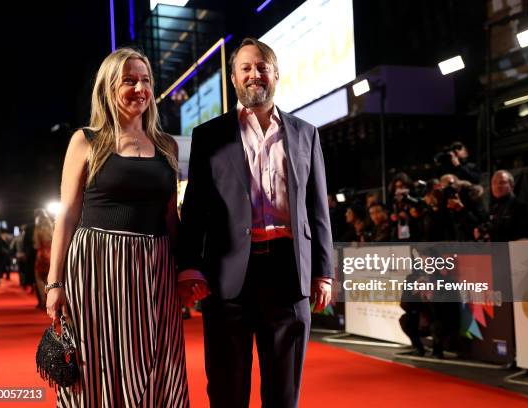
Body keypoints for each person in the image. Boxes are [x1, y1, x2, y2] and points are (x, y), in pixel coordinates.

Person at [178, 37, 333, 408]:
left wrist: (324, 271)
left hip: (288, 272)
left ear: (276, 74)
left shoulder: (304, 133)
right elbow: (195, 208)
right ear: (233, 78)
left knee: (283, 391)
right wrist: (189, 268)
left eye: (262, 66)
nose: (254, 74)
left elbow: (317, 207)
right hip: (228, 275)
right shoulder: (209, 136)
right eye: (245, 68)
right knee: (228, 389)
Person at [45, 48, 190, 407]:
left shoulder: (166, 145)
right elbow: (66, 214)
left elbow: (171, 217)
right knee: (98, 361)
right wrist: (54, 282)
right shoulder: (86, 140)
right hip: (97, 265)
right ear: (109, 87)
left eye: (145, 80)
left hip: (154, 269)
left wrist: (187, 271)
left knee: (159, 357)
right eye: (129, 80)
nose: (139, 88)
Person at [475, 170, 528, 242]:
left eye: (502, 182)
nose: (497, 186)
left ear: (512, 185)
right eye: (494, 183)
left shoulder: (520, 206)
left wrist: (492, 232)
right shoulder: (494, 208)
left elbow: (519, 235)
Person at [33, 210, 52, 309]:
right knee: (50, 279)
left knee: (39, 279)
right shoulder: (52, 227)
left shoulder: (38, 229)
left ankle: (44, 301)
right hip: (51, 255)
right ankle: (52, 300)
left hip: (41, 255)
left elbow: (36, 245)